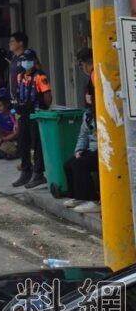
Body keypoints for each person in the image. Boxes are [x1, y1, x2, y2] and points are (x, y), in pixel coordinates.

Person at [64, 47, 100, 213]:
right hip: (90, 149)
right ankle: (78, 196)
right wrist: (79, 150)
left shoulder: (96, 75)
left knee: (80, 164)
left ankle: (93, 199)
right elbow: (83, 134)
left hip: (100, 149)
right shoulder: (88, 115)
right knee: (70, 163)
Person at [12, 48, 52, 189]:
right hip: (24, 114)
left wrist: (43, 110)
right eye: (23, 60)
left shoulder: (40, 76)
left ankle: (38, 173)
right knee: (23, 143)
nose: (25, 62)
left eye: (28, 60)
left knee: (37, 145)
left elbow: (47, 97)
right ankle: (26, 171)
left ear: (34, 61)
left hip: (36, 114)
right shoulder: (20, 76)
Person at [7, 32, 28, 102]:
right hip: (15, 99)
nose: (9, 44)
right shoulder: (14, 58)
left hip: (26, 98)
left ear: (20, 43)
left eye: (12, 41)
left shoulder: (27, 57)